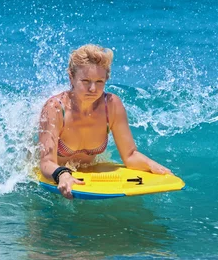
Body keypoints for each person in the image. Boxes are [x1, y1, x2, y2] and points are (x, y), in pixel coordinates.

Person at [38, 44, 172, 199]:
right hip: (51, 175)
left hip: (85, 176)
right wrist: (62, 174)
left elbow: (130, 155)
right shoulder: (55, 108)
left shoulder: (112, 105)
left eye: (99, 81)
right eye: (86, 81)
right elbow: (46, 162)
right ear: (71, 78)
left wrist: (152, 166)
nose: (93, 88)